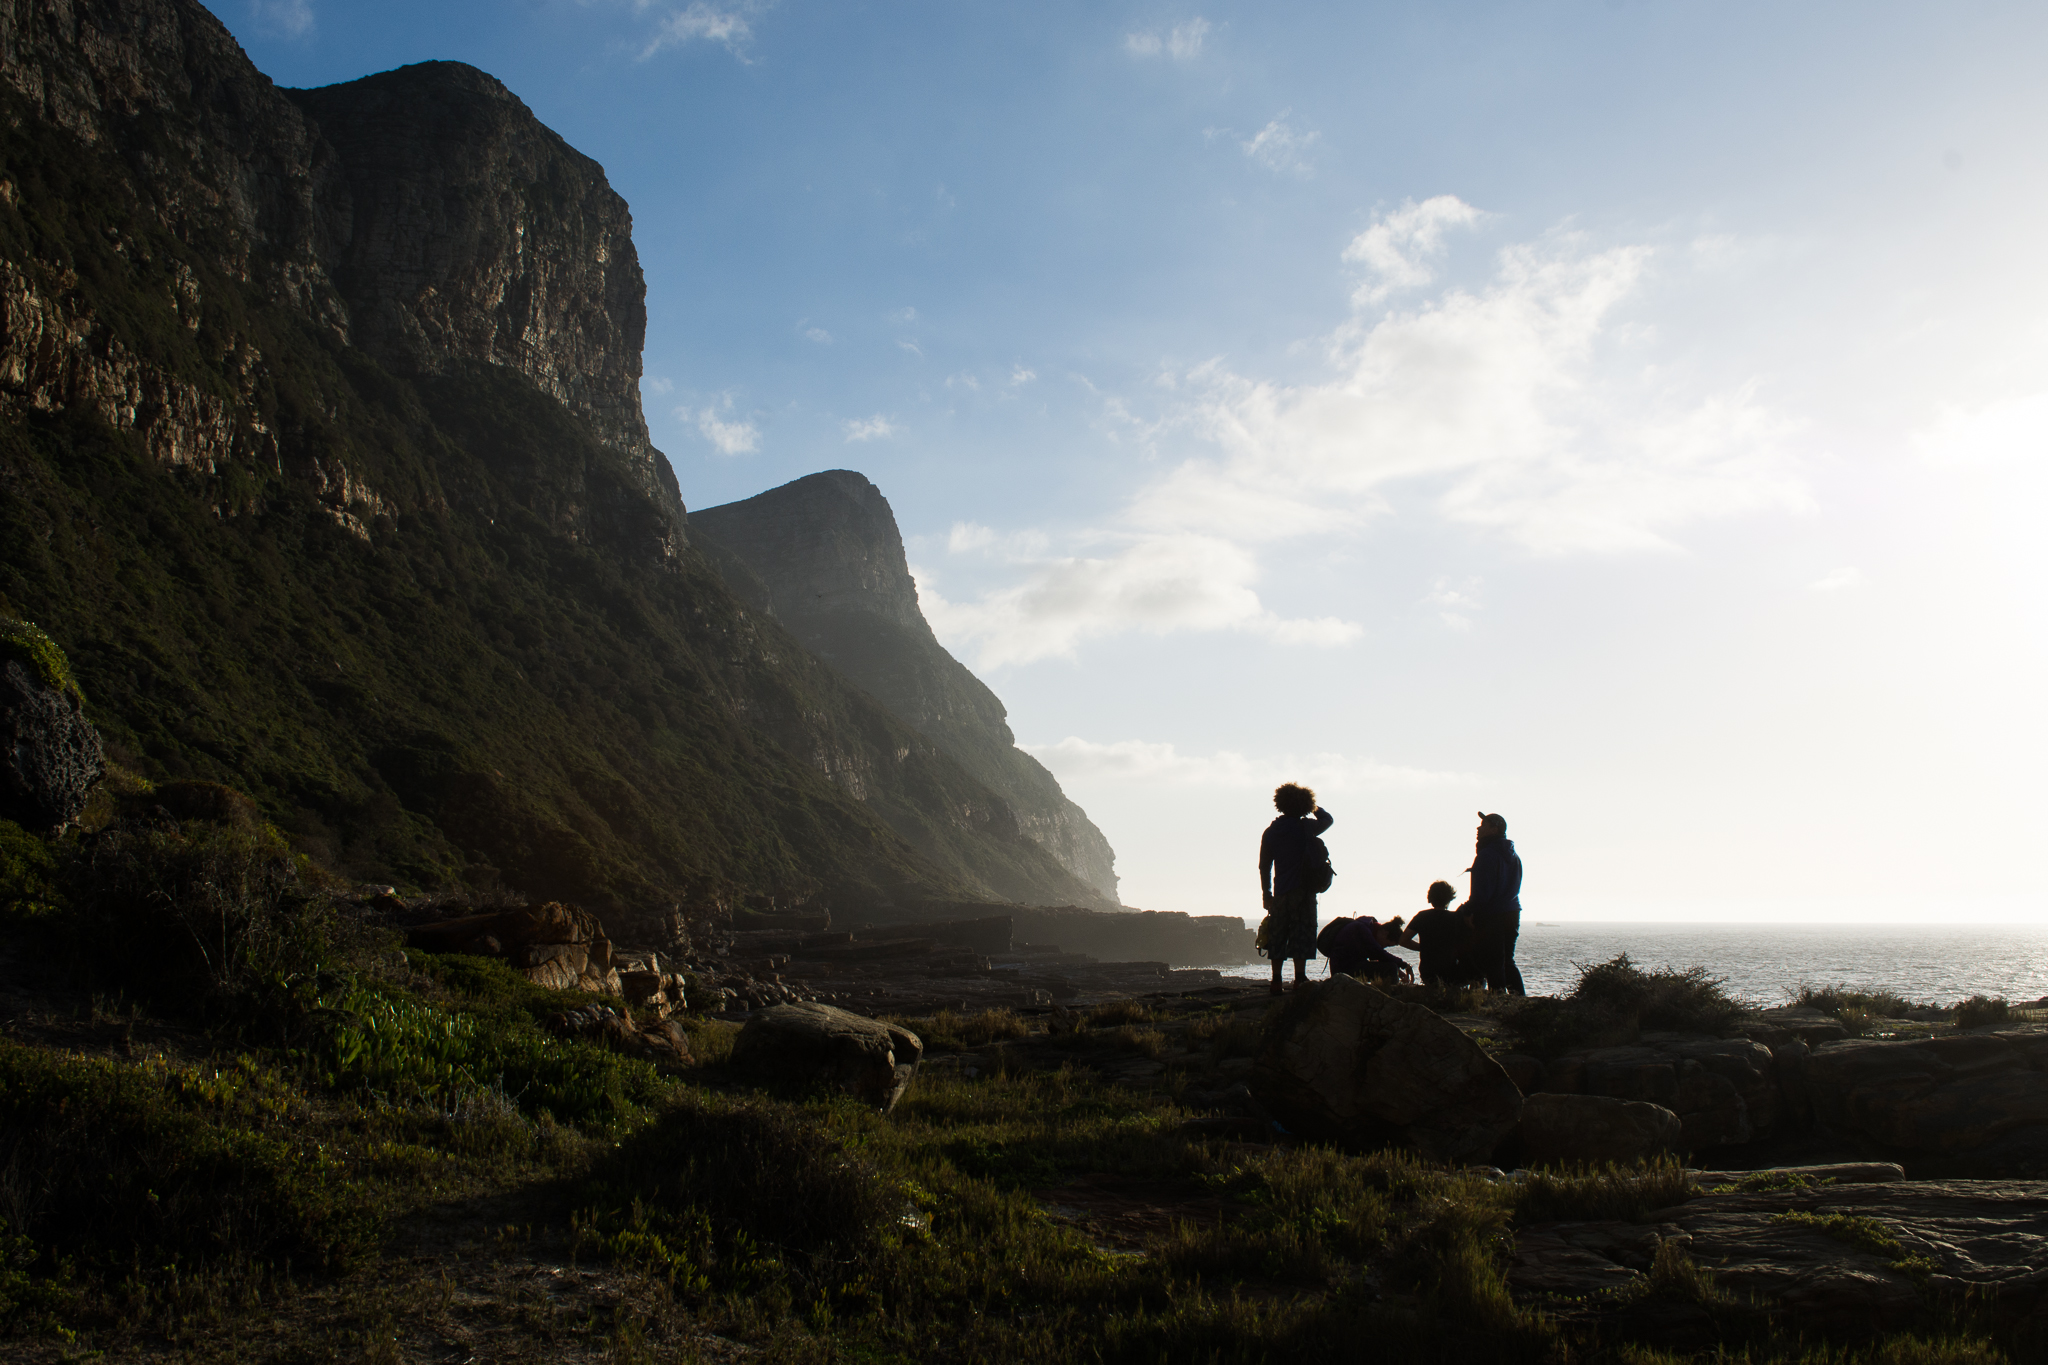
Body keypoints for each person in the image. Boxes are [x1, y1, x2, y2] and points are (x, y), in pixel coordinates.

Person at [1259, 783, 1332, 994]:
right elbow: (1328, 820)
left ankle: (1276, 981)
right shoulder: (1306, 827)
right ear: (1304, 805)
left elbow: (1264, 866)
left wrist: (1267, 895)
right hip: (1304, 890)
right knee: (1302, 933)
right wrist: (1313, 807)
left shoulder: (1271, 832)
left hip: (1281, 892)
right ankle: (1300, 979)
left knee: (1278, 935)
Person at [1458, 812, 1524, 994]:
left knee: (1492, 961)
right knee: (1507, 960)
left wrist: (1467, 911)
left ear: (1494, 829)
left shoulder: (1486, 855)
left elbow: (1481, 892)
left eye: (1483, 825)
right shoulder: (1514, 856)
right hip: (1512, 911)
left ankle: (1497, 998)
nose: (1478, 828)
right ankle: (1519, 999)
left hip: (1491, 915)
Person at [1401, 880, 1474, 987]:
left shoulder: (1422, 916)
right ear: (1449, 898)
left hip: (1427, 973)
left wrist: (1424, 947)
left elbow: (1403, 940)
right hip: (1452, 972)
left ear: (1430, 898)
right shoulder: (1456, 918)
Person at [1319, 914, 1413, 985]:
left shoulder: (1368, 929)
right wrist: (1404, 965)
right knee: (1391, 968)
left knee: (1392, 967)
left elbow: (1376, 956)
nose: (1384, 947)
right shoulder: (1362, 929)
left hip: (1349, 967)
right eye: (1387, 944)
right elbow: (1379, 953)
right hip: (1343, 970)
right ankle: (1392, 996)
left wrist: (1398, 971)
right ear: (1384, 932)